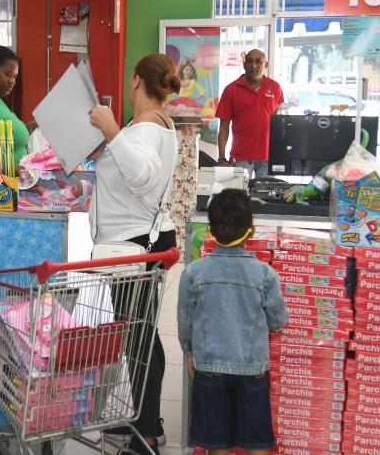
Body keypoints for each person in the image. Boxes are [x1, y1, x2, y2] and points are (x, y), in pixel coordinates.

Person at [88, 53, 179, 455]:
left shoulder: (143, 128)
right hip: (142, 241)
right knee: (143, 334)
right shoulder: (157, 125)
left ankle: (144, 434)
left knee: (137, 339)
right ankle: (146, 423)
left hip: (134, 245)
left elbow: (141, 177)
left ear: (136, 81)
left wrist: (111, 132)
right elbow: (132, 179)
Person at [177, 188, 288, 455]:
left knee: (217, 444)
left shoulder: (193, 273)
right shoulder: (265, 274)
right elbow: (277, 320)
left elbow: (185, 322)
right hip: (252, 370)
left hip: (209, 369)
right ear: (250, 231)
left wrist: (189, 351)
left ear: (211, 232)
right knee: (256, 440)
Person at [215, 49, 284, 178]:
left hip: (268, 157)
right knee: (238, 197)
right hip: (240, 158)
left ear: (266, 65)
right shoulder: (231, 90)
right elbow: (224, 126)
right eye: (249, 62)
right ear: (244, 65)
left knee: (266, 197)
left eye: (258, 62)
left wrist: (281, 154)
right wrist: (221, 158)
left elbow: (280, 124)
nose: (254, 65)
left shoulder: (275, 88)